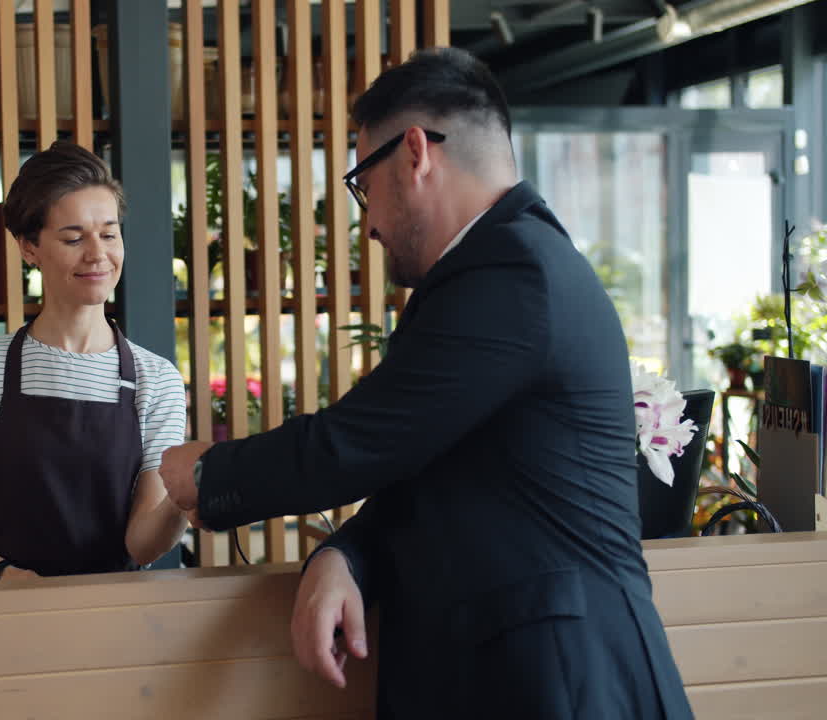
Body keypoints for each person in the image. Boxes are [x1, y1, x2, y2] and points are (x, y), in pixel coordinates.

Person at [160, 47, 693, 718]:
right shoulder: (504, 265)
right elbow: (439, 473)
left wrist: (208, 476)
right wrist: (345, 557)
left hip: (567, 681)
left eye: (363, 184)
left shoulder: (512, 272)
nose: (368, 221)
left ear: (415, 153)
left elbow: (357, 442)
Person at [0, 140, 188, 582]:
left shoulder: (155, 380)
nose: (97, 254)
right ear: (30, 247)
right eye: (72, 238)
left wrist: (185, 500)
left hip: (116, 616)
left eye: (108, 233)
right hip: (7, 614)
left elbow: (141, 544)